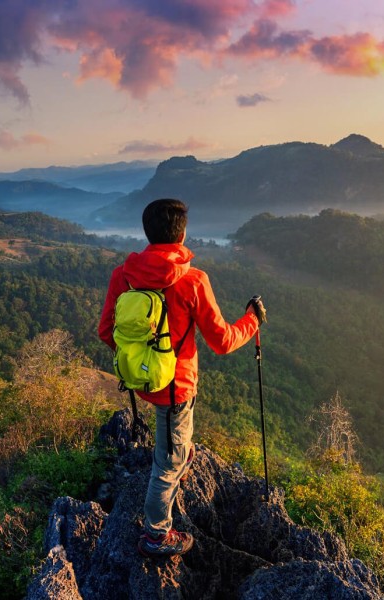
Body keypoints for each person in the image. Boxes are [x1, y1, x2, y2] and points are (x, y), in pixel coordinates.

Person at [98, 198, 266, 558]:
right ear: (183, 234)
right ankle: (156, 535)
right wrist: (252, 321)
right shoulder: (193, 280)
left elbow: (106, 331)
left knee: (174, 443)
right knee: (166, 464)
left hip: (143, 382)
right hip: (177, 388)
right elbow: (221, 341)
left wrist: (140, 359)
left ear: (147, 233)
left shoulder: (123, 276)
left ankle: (181, 454)